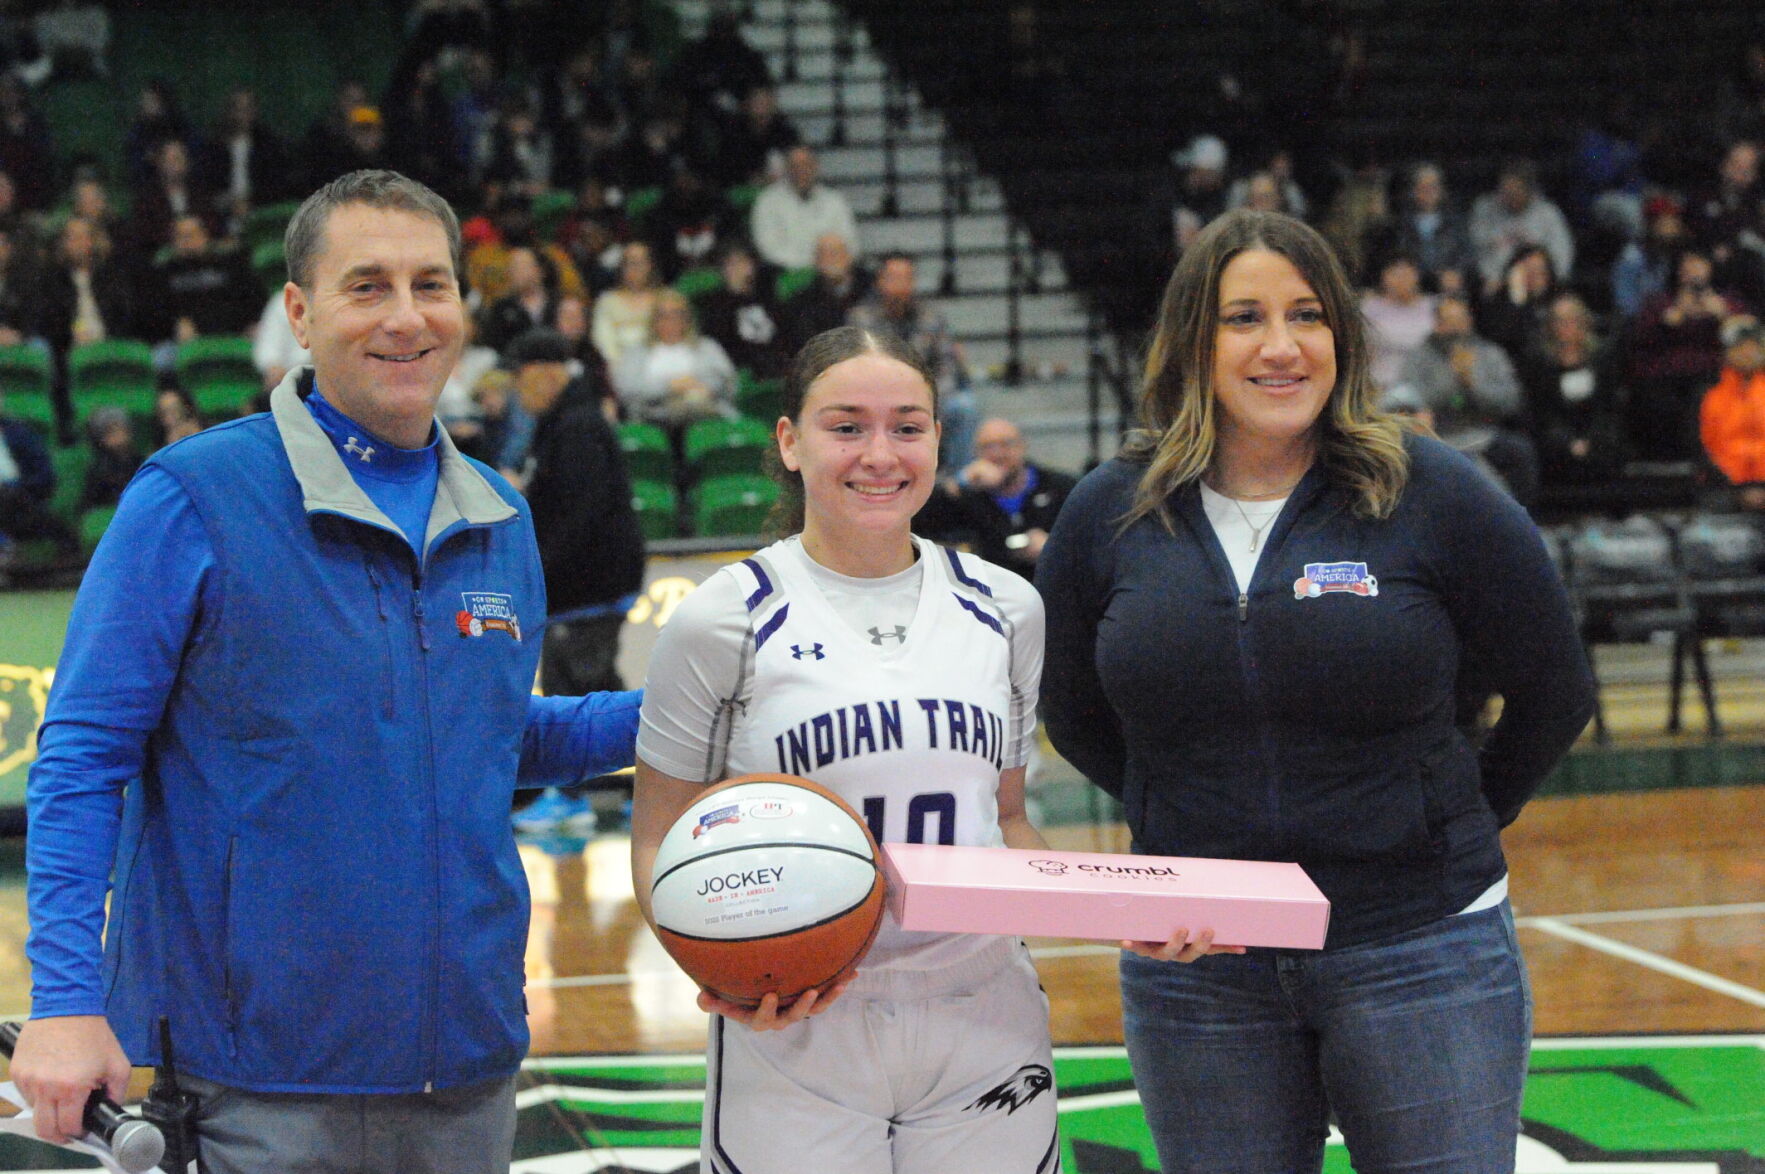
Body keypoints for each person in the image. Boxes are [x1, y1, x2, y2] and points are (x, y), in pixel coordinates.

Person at [10, 170, 643, 1173]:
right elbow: (82, 757)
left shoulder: (498, 515)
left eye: (430, 285)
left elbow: (484, 737)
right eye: (367, 286)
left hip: (468, 1064)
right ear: (299, 314)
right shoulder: (194, 496)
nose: (406, 317)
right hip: (253, 1079)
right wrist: (65, 1000)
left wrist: (672, 713)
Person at [1036, 209, 1595, 1174]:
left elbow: (1554, 687)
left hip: (1421, 947)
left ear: (1342, 333)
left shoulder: (1432, 488)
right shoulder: (1108, 510)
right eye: (1243, 317)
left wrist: (1443, 819)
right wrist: (1173, 821)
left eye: (1307, 315)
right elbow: (1068, 704)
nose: (1281, 347)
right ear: (1192, 342)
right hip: (1198, 963)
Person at [630, 325, 1059, 1174]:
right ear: (789, 442)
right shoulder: (723, 618)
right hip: (797, 1012)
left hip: (983, 1006)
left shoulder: (1007, 608)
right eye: (845, 425)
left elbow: (1006, 819)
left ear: (940, 438)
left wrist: (1138, 915)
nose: (879, 454)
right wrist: (718, 966)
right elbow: (658, 835)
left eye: (907, 426)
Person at [506, 328, 646, 832]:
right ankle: (574, 794)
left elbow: (580, 515)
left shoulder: (578, 427)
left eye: (521, 379)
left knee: (588, 686)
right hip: (577, 586)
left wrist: (539, 568)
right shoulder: (562, 423)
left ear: (546, 373)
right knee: (575, 686)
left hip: (590, 583)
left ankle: (643, 792)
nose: (518, 392)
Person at [1396, 295, 1539, 506]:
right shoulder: (1418, 357)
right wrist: (1453, 380)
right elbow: (1411, 400)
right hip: (1437, 435)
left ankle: (1525, 521)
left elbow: (1510, 401)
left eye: (1460, 320)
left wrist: (1472, 384)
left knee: (1520, 451)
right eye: (1448, 321)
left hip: (1483, 433)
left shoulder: (1490, 353)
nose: (1455, 328)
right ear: (1437, 324)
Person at [848, 252, 972, 475]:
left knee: (964, 406)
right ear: (879, 282)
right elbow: (858, 370)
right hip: (877, 397)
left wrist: (928, 398)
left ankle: (958, 480)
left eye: (907, 278)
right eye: (893, 278)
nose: (900, 285)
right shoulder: (861, 319)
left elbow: (946, 365)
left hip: (928, 397)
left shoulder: (932, 317)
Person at [927, 415, 1076, 582]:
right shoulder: (968, 496)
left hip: (1051, 588)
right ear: (976, 453)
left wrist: (1054, 551)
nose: (997, 454)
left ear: (1022, 446)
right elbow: (919, 520)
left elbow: (1090, 548)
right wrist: (960, 482)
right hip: (989, 594)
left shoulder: (1060, 487)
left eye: (1006, 444)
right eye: (987, 447)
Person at [612, 288, 738, 428]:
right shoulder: (636, 352)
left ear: (687, 319)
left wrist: (701, 385)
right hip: (652, 418)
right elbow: (627, 389)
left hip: (704, 416)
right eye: (663, 316)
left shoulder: (707, 347)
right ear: (653, 321)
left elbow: (726, 380)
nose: (670, 321)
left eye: (677, 315)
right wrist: (670, 386)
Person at [750, 145, 860, 270]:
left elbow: (851, 244)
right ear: (786, 169)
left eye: (806, 164)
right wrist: (812, 264)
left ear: (815, 167)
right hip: (785, 272)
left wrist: (829, 262)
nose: (801, 170)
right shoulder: (767, 201)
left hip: (830, 271)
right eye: (795, 165)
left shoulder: (834, 200)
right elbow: (767, 249)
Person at [1699, 316, 1765, 509]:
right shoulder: (1710, 396)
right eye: (1739, 346)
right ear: (1726, 353)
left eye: (1753, 345)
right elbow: (1705, 447)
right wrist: (1738, 487)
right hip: (1726, 486)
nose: (1747, 352)